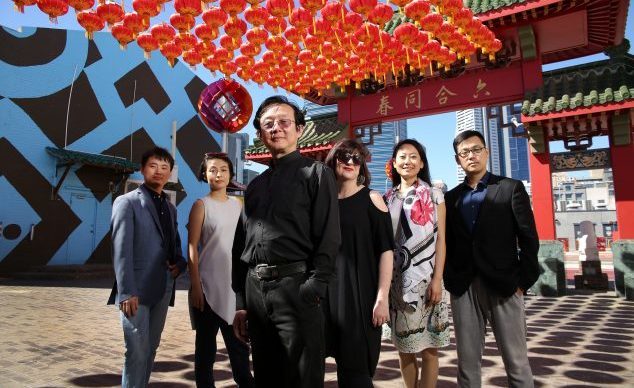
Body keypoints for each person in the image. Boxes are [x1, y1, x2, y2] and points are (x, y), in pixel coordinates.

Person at [231, 95, 341, 388]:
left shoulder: (317, 174)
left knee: (303, 377)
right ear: (259, 134)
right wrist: (242, 302)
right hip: (256, 292)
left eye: (284, 122)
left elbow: (329, 236)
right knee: (266, 375)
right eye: (268, 124)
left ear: (299, 129)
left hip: (297, 287)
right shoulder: (254, 186)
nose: (276, 128)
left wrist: (314, 286)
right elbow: (241, 244)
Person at [444, 130, 539, 388]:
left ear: (486, 152)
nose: (471, 156)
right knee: (466, 363)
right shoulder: (450, 198)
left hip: (505, 285)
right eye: (465, 153)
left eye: (476, 150)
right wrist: (450, 278)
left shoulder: (510, 188)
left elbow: (529, 238)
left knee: (516, 362)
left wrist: (523, 283)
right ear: (457, 160)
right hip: (464, 287)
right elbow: (447, 243)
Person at [107, 146, 187, 388]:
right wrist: (126, 291)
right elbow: (121, 249)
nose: (159, 171)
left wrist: (179, 265)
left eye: (165, 167)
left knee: (151, 348)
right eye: (153, 166)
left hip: (163, 286)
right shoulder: (127, 202)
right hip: (136, 290)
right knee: (136, 349)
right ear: (142, 169)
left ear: (170, 172)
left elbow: (174, 243)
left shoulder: (170, 207)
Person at [323, 139, 394, 387]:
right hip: (324, 295)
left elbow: (386, 251)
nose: (350, 162)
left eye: (356, 158)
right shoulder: (322, 201)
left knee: (356, 374)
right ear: (333, 161)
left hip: (359, 295)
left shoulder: (372, 198)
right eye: (344, 157)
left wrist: (382, 298)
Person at [384, 139, 450, 388]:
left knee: (430, 348)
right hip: (397, 283)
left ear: (422, 163)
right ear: (394, 163)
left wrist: (437, 280)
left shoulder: (435, 195)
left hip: (427, 280)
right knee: (404, 347)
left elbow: (442, 240)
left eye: (413, 157)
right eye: (402, 156)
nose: (407, 161)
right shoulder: (386, 197)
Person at [187, 153, 255, 388]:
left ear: (230, 175)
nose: (218, 174)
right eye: (213, 169)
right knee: (205, 351)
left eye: (224, 170)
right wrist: (196, 286)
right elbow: (192, 247)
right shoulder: (200, 205)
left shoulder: (239, 205)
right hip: (206, 288)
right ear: (204, 174)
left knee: (239, 350)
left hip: (234, 289)